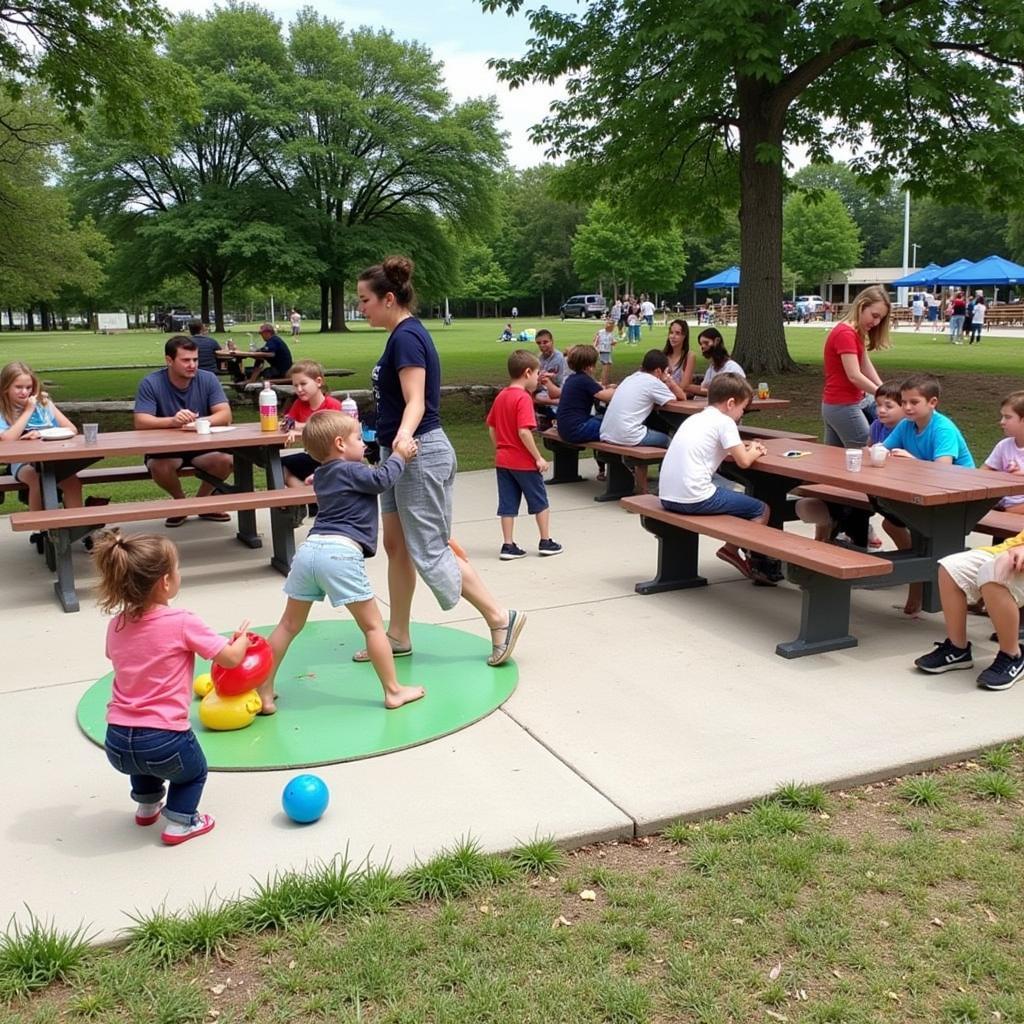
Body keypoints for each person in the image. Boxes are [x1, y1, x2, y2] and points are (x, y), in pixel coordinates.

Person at [357, 255, 526, 668]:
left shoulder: (407, 338)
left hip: (417, 453)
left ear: (389, 298)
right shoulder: (398, 335)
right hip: (396, 453)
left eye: (364, 300)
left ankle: (501, 617)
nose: (361, 307)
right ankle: (397, 633)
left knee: (429, 549)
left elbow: (417, 399)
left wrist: (402, 436)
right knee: (397, 546)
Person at [258, 411, 426, 714]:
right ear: (339, 444)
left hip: (309, 551)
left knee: (288, 624)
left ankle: (265, 690)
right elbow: (382, 479)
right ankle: (394, 690)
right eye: (359, 438)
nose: (364, 444)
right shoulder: (351, 469)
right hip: (340, 553)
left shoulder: (321, 474)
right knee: (374, 627)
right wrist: (400, 455)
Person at [93, 530, 252, 844]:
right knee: (193, 772)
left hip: (117, 742)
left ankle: (147, 803)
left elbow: (113, 654)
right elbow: (231, 659)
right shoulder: (182, 621)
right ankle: (181, 822)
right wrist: (242, 641)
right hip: (164, 739)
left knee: (143, 758)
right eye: (177, 570)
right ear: (165, 582)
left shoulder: (117, 624)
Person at [659, 373, 779, 584]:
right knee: (761, 509)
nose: (741, 414)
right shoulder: (724, 422)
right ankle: (731, 550)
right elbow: (743, 461)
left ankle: (740, 547)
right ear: (731, 403)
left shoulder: (696, 418)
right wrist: (757, 450)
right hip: (694, 498)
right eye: (742, 409)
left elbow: (731, 450)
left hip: (668, 496)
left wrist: (747, 448)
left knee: (735, 497)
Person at [134, 336, 234, 528]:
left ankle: (200, 503)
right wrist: (172, 421)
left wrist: (200, 422)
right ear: (169, 360)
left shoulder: (208, 378)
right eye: (185, 360)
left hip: (202, 446)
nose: (192, 365)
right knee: (160, 466)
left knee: (227, 461)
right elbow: (141, 421)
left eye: (195, 360)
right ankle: (181, 503)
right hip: (165, 448)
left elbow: (225, 414)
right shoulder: (151, 382)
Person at [913, 529, 1024, 690]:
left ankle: (1013, 655)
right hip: (1011, 549)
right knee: (951, 567)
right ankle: (958, 649)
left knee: (994, 575)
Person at [485, 349, 562, 560]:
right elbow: (523, 431)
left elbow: (492, 427)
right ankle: (546, 540)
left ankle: (508, 544)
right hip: (524, 462)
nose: (538, 378)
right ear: (528, 373)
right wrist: (538, 457)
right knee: (540, 501)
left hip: (503, 460)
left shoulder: (502, 395)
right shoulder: (523, 398)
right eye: (537, 374)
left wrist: (499, 447)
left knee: (507, 504)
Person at [0, 361, 83, 512]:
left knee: (72, 481)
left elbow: (71, 429)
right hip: (21, 462)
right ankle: (40, 529)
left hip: (53, 458)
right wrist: (28, 411)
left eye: (28, 388)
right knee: (36, 478)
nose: (24, 392)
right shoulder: (4, 410)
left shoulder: (44, 404)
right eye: (18, 387)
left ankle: (76, 528)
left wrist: (41, 433)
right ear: (6, 387)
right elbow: (6, 440)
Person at [820, 284, 889, 448]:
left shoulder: (856, 333)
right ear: (861, 306)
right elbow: (854, 375)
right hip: (843, 405)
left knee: (834, 460)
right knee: (865, 453)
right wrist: (881, 393)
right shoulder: (846, 334)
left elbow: (865, 365)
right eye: (874, 315)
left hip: (836, 406)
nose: (876, 322)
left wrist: (884, 388)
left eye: (880, 318)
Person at [600, 348, 686, 449]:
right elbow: (681, 397)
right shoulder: (654, 382)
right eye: (666, 371)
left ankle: (637, 465)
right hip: (627, 436)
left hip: (606, 432)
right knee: (670, 441)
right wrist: (670, 380)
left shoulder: (630, 378)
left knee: (649, 428)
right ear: (658, 371)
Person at [882, 372, 974, 467]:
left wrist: (913, 461)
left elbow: (942, 469)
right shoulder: (905, 425)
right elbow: (883, 448)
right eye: (904, 402)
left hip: (959, 480)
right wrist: (877, 450)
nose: (907, 407)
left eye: (914, 402)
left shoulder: (943, 429)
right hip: (921, 478)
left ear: (932, 403)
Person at [280, 360, 343, 489]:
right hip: (311, 456)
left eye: (303, 384)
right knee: (278, 466)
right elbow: (287, 422)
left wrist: (300, 428)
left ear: (318, 382)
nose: (299, 389)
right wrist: (291, 427)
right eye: (295, 385)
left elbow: (328, 429)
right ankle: (304, 492)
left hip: (330, 459)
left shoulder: (332, 405)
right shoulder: (298, 404)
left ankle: (311, 495)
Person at [557, 345, 616, 480]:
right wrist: (620, 389)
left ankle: (604, 468)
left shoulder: (573, 379)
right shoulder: (584, 380)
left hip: (564, 428)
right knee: (616, 426)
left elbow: (598, 388)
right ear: (590, 366)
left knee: (602, 419)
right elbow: (605, 396)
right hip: (577, 429)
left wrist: (606, 387)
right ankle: (624, 470)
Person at [982, 390, 1024, 513]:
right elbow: (982, 473)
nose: (1002, 422)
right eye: (1002, 416)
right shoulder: (1004, 446)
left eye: (1008, 417)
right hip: (1001, 506)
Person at [688, 327, 744, 395]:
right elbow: (704, 389)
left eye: (706, 343)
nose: (703, 346)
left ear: (717, 341)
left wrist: (687, 387)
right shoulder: (711, 369)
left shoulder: (732, 368)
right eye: (701, 344)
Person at [532, 329, 567, 427]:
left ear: (552, 341)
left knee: (537, 398)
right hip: (543, 391)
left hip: (556, 390)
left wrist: (550, 377)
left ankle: (555, 405)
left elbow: (561, 382)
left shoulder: (560, 359)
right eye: (539, 343)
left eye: (545, 342)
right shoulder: (539, 359)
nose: (542, 346)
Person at [662, 319, 696, 390]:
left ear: (684, 336)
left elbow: (684, 386)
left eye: (677, 333)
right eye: (671, 333)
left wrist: (665, 381)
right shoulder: (662, 356)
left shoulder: (689, 356)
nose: (673, 336)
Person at [592, 316, 617, 387]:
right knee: (605, 366)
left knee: (606, 366)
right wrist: (595, 347)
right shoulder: (601, 332)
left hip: (607, 350)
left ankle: (603, 381)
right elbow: (595, 340)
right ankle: (603, 382)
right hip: (602, 350)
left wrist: (613, 343)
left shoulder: (611, 333)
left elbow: (613, 342)